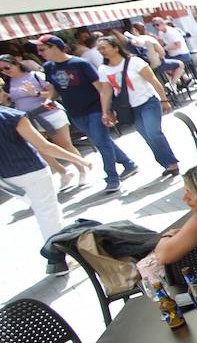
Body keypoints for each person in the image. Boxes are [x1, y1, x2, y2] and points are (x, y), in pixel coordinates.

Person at [35, 35, 138, 195]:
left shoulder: (80, 64)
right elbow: (55, 88)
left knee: (101, 142)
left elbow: (100, 87)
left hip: (94, 108)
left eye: (42, 49)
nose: (39, 53)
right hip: (75, 112)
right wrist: (50, 99)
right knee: (101, 140)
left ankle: (112, 178)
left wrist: (107, 110)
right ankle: (128, 163)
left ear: (54, 47)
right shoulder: (49, 67)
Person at [0, 106, 87, 266]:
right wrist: (78, 159)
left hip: (8, 178)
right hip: (32, 171)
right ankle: (58, 260)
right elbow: (45, 146)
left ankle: (65, 252)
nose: (6, 94)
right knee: (48, 214)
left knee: (48, 212)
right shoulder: (11, 116)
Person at [0, 54, 82, 186]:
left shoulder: (35, 76)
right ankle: (63, 172)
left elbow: (53, 92)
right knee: (40, 148)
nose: (5, 71)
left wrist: (36, 93)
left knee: (65, 145)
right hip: (29, 118)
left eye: (7, 67)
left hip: (49, 113)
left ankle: (82, 168)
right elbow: (9, 101)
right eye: (1, 70)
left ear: (16, 63)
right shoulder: (8, 84)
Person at [150, 17, 194, 81]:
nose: (156, 27)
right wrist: (155, 40)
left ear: (163, 23)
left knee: (166, 67)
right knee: (162, 66)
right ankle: (184, 79)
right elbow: (161, 44)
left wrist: (165, 48)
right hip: (172, 56)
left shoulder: (172, 32)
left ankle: (177, 82)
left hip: (182, 54)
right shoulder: (160, 33)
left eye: (157, 24)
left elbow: (178, 45)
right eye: (154, 25)